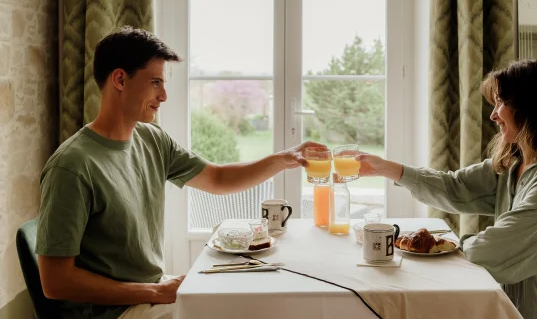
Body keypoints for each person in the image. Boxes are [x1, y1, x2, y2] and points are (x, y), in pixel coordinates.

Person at [36, 26, 326, 319]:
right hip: (112, 311)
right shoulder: (72, 166)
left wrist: (283, 159)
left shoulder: (151, 139)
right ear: (120, 79)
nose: (163, 95)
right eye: (155, 82)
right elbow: (55, 282)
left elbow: (217, 178)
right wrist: (155, 292)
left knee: (252, 301)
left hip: (148, 292)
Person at [357, 59, 537, 318]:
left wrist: (440, 247)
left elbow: (493, 250)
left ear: (530, 108)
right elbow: (455, 188)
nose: (493, 114)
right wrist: (385, 168)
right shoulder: (513, 164)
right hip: (510, 305)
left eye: (501, 103)